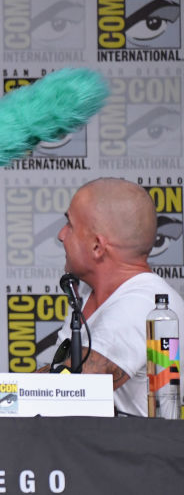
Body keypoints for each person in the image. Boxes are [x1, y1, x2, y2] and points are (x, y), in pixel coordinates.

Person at [45, 177, 184, 416]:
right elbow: (54, 377)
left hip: (138, 442)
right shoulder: (88, 294)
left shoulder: (141, 305)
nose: (61, 234)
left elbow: (67, 392)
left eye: (70, 225)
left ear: (97, 247)